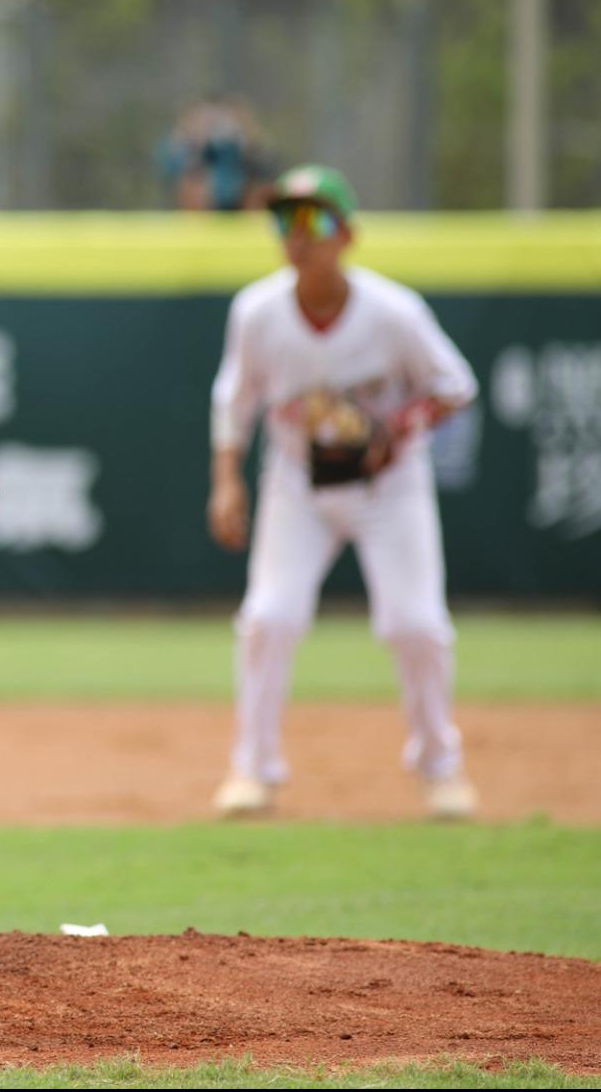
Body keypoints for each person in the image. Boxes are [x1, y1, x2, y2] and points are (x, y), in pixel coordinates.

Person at [207, 164, 480, 821]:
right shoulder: (258, 310)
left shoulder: (394, 311)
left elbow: (455, 384)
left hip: (389, 484)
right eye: (284, 219)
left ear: (347, 234)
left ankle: (441, 768)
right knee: (270, 616)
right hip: (297, 481)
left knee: (415, 623)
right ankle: (254, 771)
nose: (297, 235)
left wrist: (398, 427)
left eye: (313, 219)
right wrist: (226, 482)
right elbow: (234, 399)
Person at [157, 95, 277, 212]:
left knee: (259, 186)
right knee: (192, 179)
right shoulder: (185, 146)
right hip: (206, 203)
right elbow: (171, 168)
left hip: (241, 196)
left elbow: (266, 169)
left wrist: (243, 145)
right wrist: (197, 146)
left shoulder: (249, 148)